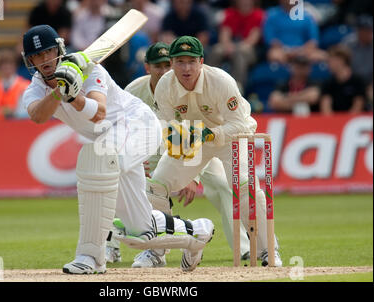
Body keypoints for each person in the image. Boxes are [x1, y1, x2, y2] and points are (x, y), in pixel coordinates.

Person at [21, 25, 215, 274]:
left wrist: (75, 97)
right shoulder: (37, 87)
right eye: (37, 56)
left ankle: (90, 256)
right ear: (30, 61)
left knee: (97, 159)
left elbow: (100, 112)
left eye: (48, 52)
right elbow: (38, 115)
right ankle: (197, 233)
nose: (44, 60)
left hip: (137, 126)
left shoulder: (89, 69)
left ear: (58, 49)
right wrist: (61, 91)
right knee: (140, 231)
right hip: (111, 140)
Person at [104, 42, 251, 267]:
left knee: (223, 186)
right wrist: (134, 160)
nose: (165, 71)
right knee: (144, 187)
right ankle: (149, 251)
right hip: (166, 146)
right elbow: (123, 127)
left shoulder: (207, 82)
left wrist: (193, 177)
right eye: (159, 66)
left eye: (166, 66)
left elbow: (192, 132)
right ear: (147, 67)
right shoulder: (134, 90)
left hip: (203, 139)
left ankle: (246, 249)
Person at [151, 36, 283, 267]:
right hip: (191, 138)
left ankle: (268, 251)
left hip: (230, 137)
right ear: (171, 63)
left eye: (191, 61)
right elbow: (167, 126)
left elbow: (241, 124)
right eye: (180, 62)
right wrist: (189, 172)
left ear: (201, 61)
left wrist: (210, 134)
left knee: (245, 186)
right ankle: (156, 251)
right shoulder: (165, 86)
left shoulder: (221, 81)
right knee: (157, 186)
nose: (186, 68)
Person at [209, 0, 264, 87]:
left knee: (240, 52)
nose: (245, 2)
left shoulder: (259, 15)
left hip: (250, 49)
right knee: (217, 50)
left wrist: (235, 48)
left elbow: (253, 39)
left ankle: (237, 87)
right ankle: (210, 83)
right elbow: (224, 34)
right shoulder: (229, 13)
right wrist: (227, 46)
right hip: (232, 45)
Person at [263, 0, 326, 64]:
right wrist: (287, 51)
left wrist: (300, 51)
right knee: (274, 55)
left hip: (303, 51)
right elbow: (271, 40)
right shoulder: (271, 15)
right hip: (281, 51)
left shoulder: (307, 16)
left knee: (321, 55)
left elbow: (313, 41)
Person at [0, 49, 31, 120]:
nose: (7, 67)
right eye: (3, 64)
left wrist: (11, 113)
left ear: (15, 66)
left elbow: (24, 112)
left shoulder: (25, 86)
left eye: (10, 63)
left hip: (19, 126)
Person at [320, 45, 366, 115]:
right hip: (334, 121)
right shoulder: (328, 83)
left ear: (341, 60)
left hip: (354, 122)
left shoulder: (357, 81)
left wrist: (345, 121)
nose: (328, 64)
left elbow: (358, 105)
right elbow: (326, 107)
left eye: (331, 60)